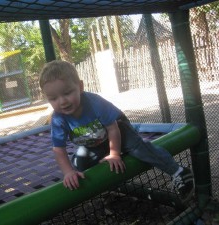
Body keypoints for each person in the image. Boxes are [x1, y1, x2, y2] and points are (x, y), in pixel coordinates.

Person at [39, 60, 194, 202]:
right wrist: (68, 172)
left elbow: (112, 128)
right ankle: (107, 179)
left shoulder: (94, 103)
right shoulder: (58, 119)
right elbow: (58, 149)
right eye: (53, 98)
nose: (62, 101)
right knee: (78, 163)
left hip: (119, 130)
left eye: (67, 93)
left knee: (138, 148)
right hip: (93, 142)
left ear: (80, 87)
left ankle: (178, 171)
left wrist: (114, 153)